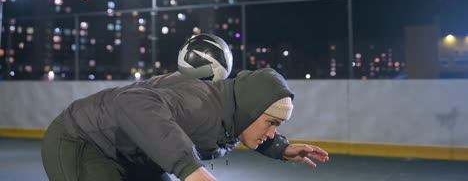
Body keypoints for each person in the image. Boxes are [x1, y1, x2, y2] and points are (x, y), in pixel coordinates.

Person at [41, 68, 329, 181]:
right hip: (81, 139)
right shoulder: (199, 103)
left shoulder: (232, 110)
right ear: (251, 110)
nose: (272, 132)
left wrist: (280, 148)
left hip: (133, 156)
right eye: (271, 123)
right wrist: (189, 169)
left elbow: (238, 131)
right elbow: (130, 102)